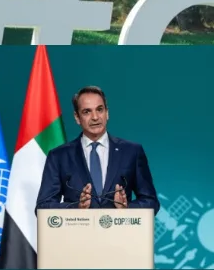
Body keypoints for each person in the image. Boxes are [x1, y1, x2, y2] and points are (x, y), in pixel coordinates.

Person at [35, 85, 160, 215]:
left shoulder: (132, 152)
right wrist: (77, 208)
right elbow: (43, 207)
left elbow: (151, 202)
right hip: (78, 228)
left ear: (107, 113)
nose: (95, 117)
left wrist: (126, 208)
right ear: (77, 117)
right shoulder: (59, 156)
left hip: (120, 228)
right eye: (87, 112)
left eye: (99, 109)